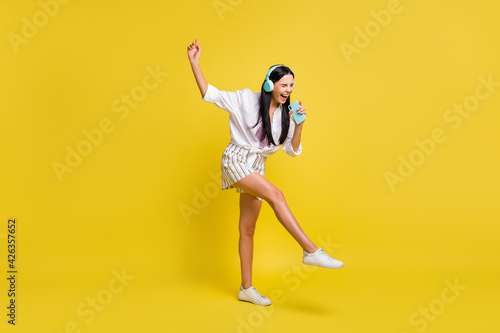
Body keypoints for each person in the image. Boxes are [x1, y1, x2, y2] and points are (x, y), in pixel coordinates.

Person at [187, 38, 343, 306]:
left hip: (256, 166)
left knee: (247, 229)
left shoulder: (286, 114)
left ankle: (246, 289)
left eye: (292, 85)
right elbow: (209, 93)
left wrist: (299, 125)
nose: (289, 90)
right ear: (270, 84)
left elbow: (292, 151)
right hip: (235, 160)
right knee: (276, 195)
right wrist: (194, 62)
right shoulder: (245, 99)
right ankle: (310, 250)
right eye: (284, 85)